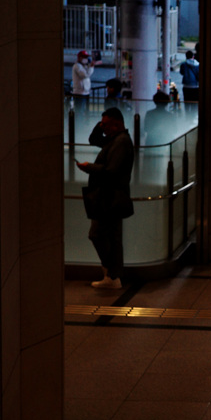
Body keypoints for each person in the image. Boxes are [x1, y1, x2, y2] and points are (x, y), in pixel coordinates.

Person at [76, 108, 135, 289]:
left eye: (107, 125)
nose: (104, 129)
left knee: (98, 234)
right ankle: (112, 275)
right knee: (112, 236)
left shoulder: (121, 142)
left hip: (110, 197)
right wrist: (99, 125)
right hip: (110, 196)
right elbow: (94, 139)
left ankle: (111, 271)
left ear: (117, 124)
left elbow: (111, 171)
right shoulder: (115, 140)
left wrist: (90, 168)